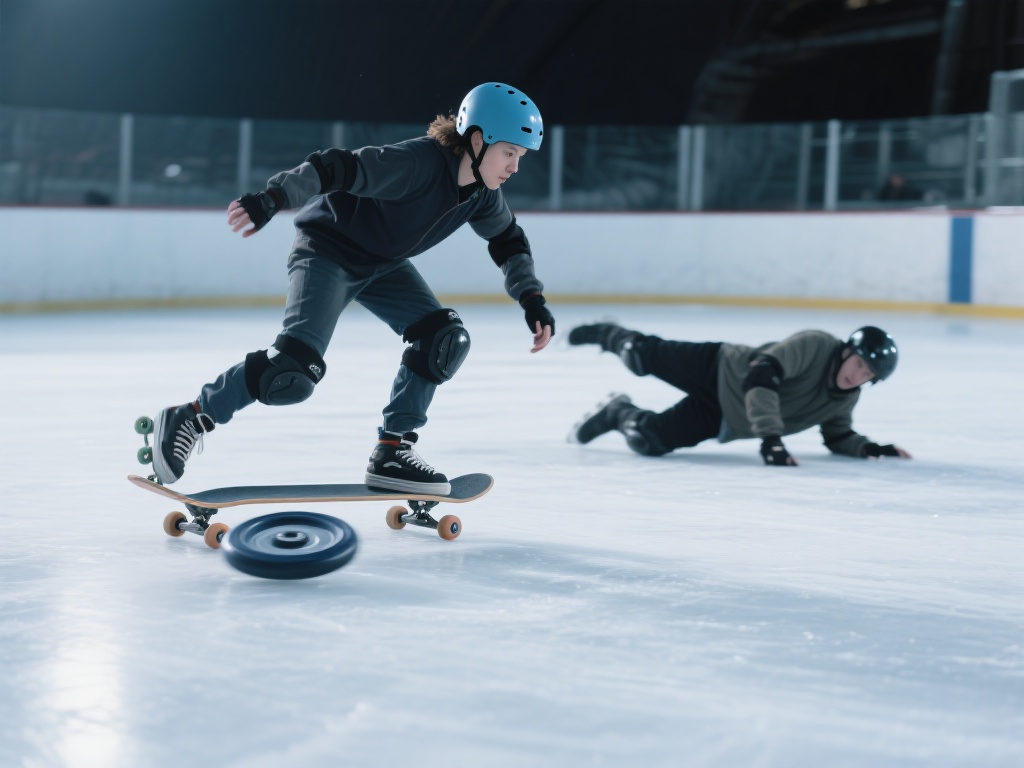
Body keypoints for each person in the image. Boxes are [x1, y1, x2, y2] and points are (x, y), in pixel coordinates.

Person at [149, 82, 555, 494]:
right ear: (478, 139)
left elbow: (508, 240)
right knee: (291, 373)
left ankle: (393, 452)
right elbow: (334, 168)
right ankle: (191, 415)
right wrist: (273, 198)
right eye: (510, 152)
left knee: (444, 339)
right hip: (329, 250)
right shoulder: (416, 163)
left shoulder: (483, 196)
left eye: (520, 156)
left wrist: (531, 298)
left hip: (383, 265)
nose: (514, 166)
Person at [566, 322, 911, 466]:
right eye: (860, 365)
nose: (858, 376)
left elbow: (838, 435)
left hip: (725, 416)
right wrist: (771, 439)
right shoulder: (818, 345)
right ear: (847, 352)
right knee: (639, 354)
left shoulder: (845, 398)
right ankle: (610, 335)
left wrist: (869, 448)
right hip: (722, 366)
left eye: (868, 375)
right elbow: (762, 375)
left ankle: (618, 411)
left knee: (646, 439)